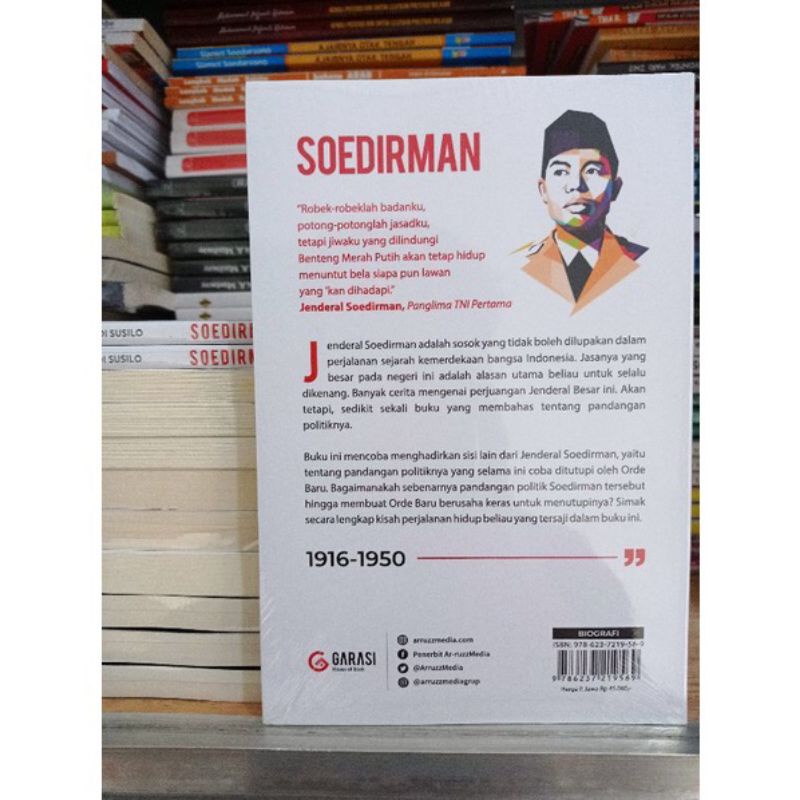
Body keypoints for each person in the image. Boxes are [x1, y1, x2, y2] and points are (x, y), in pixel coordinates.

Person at [516, 110, 647, 314]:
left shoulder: (641, 259)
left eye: (592, 171)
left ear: (616, 188)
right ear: (543, 190)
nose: (576, 185)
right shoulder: (518, 263)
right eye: (561, 172)